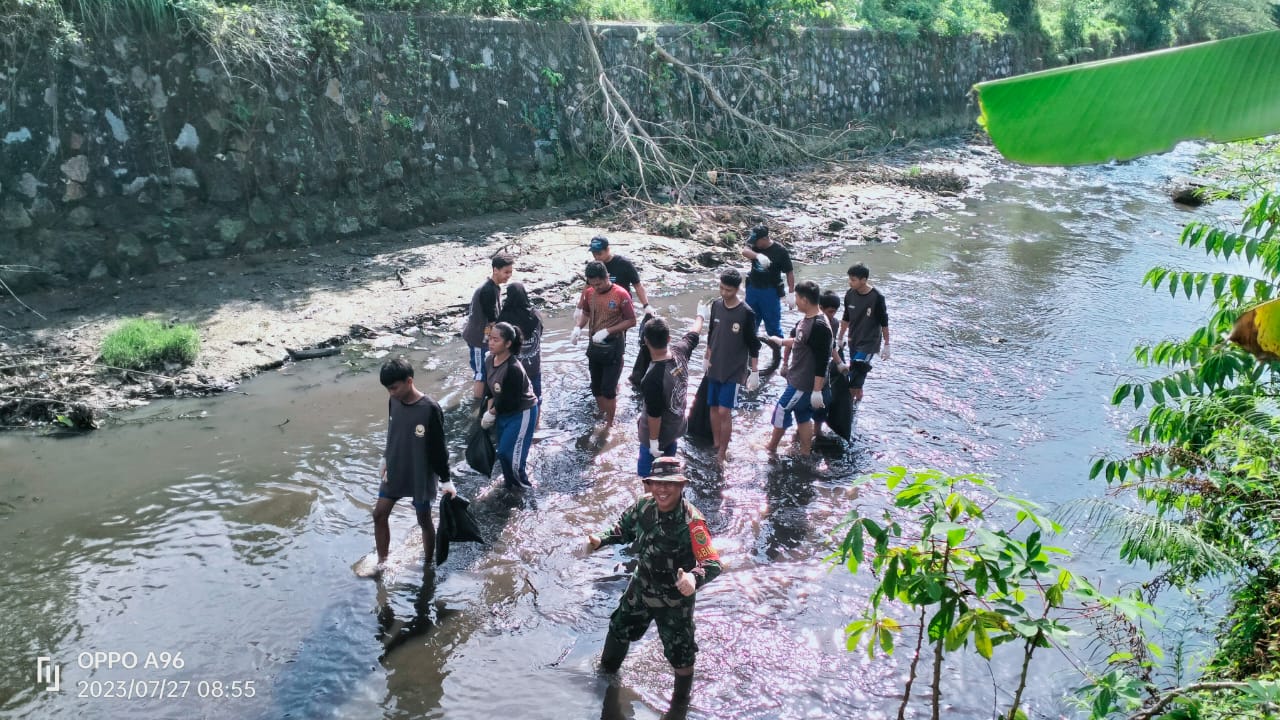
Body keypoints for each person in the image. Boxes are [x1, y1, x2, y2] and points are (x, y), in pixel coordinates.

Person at [585, 457, 721, 702]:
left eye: (669, 484)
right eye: (657, 483)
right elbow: (622, 529)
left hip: (675, 600)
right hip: (641, 588)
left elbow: (712, 562)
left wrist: (693, 578)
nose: (662, 489)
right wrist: (600, 540)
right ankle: (604, 684)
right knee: (618, 629)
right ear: (650, 484)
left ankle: (680, 705)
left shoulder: (693, 522)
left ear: (681, 486)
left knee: (681, 654)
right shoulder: (643, 506)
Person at [371, 358, 455, 576]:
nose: (391, 393)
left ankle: (428, 565)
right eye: (387, 389)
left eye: (394, 388)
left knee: (423, 520)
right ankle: (382, 562)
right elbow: (393, 429)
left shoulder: (430, 409)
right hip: (396, 467)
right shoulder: (394, 401)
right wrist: (385, 457)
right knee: (379, 514)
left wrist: (446, 479)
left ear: (409, 381)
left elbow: (439, 448)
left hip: (420, 473)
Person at [702, 269, 762, 463]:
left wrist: (754, 371)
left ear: (737, 289)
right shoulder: (717, 306)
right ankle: (716, 443)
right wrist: (706, 356)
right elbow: (712, 333)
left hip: (733, 370)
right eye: (721, 288)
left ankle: (722, 452)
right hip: (715, 365)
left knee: (724, 411)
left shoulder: (746, 313)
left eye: (728, 290)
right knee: (712, 407)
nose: (723, 293)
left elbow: (754, 344)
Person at [766, 281, 831, 457]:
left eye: (796, 297)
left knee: (781, 409)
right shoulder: (807, 319)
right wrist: (781, 342)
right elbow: (800, 342)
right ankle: (805, 452)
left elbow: (823, 360)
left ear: (804, 299)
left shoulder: (819, 326)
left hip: (803, 385)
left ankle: (771, 448)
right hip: (799, 379)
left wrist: (817, 390)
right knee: (802, 416)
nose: (795, 301)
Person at [571, 260, 638, 427]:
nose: (597, 287)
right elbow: (586, 312)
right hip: (594, 346)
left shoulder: (621, 294)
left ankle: (610, 423)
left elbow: (631, 321)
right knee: (596, 386)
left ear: (607, 277)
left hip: (613, 346)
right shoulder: (589, 293)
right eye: (593, 284)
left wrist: (608, 331)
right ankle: (601, 412)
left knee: (608, 389)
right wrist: (578, 327)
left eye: (599, 284)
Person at [637, 315, 703, 478]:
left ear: (645, 340)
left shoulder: (653, 378)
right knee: (667, 473)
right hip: (676, 428)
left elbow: (654, 416)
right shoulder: (680, 352)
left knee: (649, 478)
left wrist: (653, 442)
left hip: (656, 437)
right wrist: (701, 316)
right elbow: (693, 335)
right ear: (668, 338)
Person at [588, 236, 655, 387]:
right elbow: (587, 288)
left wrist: (646, 305)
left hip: (620, 313)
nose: (596, 257)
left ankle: (615, 378)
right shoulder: (594, 267)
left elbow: (638, 285)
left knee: (617, 348)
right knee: (597, 343)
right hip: (599, 312)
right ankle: (600, 375)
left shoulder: (623, 264)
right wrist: (580, 310)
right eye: (594, 254)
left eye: (599, 253)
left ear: (608, 250)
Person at [480, 322, 539, 491]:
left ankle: (523, 489)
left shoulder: (513, 368)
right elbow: (490, 390)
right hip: (502, 411)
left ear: (508, 344)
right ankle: (509, 485)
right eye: (490, 339)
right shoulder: (490, 359)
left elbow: (510, 400)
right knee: (502, 453)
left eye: (496, 340)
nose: (490, 343)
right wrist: (487, 412)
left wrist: (491, 413)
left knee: (510, 453)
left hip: (521, 412)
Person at [461, 254, 515, 400]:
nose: (509, 276)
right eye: (506, 272)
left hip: (485, 336)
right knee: (480, 372)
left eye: (510, 272)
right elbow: (492, 323)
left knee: (486, 368)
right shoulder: (487, 291)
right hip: (478, 338)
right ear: (495, 270)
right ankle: (477, 404)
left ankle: (485, 396)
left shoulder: (494, 287)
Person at [837, 263, 891, 404]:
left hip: (869, 343)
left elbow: (884, 322)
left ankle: (849, 407)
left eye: (853, 279)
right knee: (855, 370)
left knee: (855, 373)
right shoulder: (849, 294)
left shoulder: (877, 297)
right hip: (853, 339)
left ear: (864, 280)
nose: (850, 282)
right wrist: (840, 337)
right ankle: (858, 398)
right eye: (849, 279)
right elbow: (846, 317)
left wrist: (887, 344)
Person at [740, 224, 794, 339]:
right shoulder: (754, 245)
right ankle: (750, 353)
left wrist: (791, 293)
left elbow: (789, 272)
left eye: (757, 241)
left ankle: (777, 355)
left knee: (773, 328)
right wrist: (758, 255)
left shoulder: (780, 251)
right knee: (750, 324)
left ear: (765, 239)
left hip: (770, 292)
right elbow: (745, 251)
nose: (754, 244)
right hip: (752, 289)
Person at [496, 282, 545, 400]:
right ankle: (537, 418)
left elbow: (497, 339)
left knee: (514, 397)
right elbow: (540, 333)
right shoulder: (536, 315)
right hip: (533, 364)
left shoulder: (504, 317)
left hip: (512, 366)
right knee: (536, 396)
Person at [811, 291, 844, 440]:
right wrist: (785, 365)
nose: (832, 315)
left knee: (825, 401)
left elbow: (831, 346)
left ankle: (816, 431)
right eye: (829, 311)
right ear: (820, 307)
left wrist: (839, 363)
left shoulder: (834, 323)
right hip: (808, 369)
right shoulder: (810, 322)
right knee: (804, 403)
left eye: (835, 312)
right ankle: (800, 430)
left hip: (824, 370)